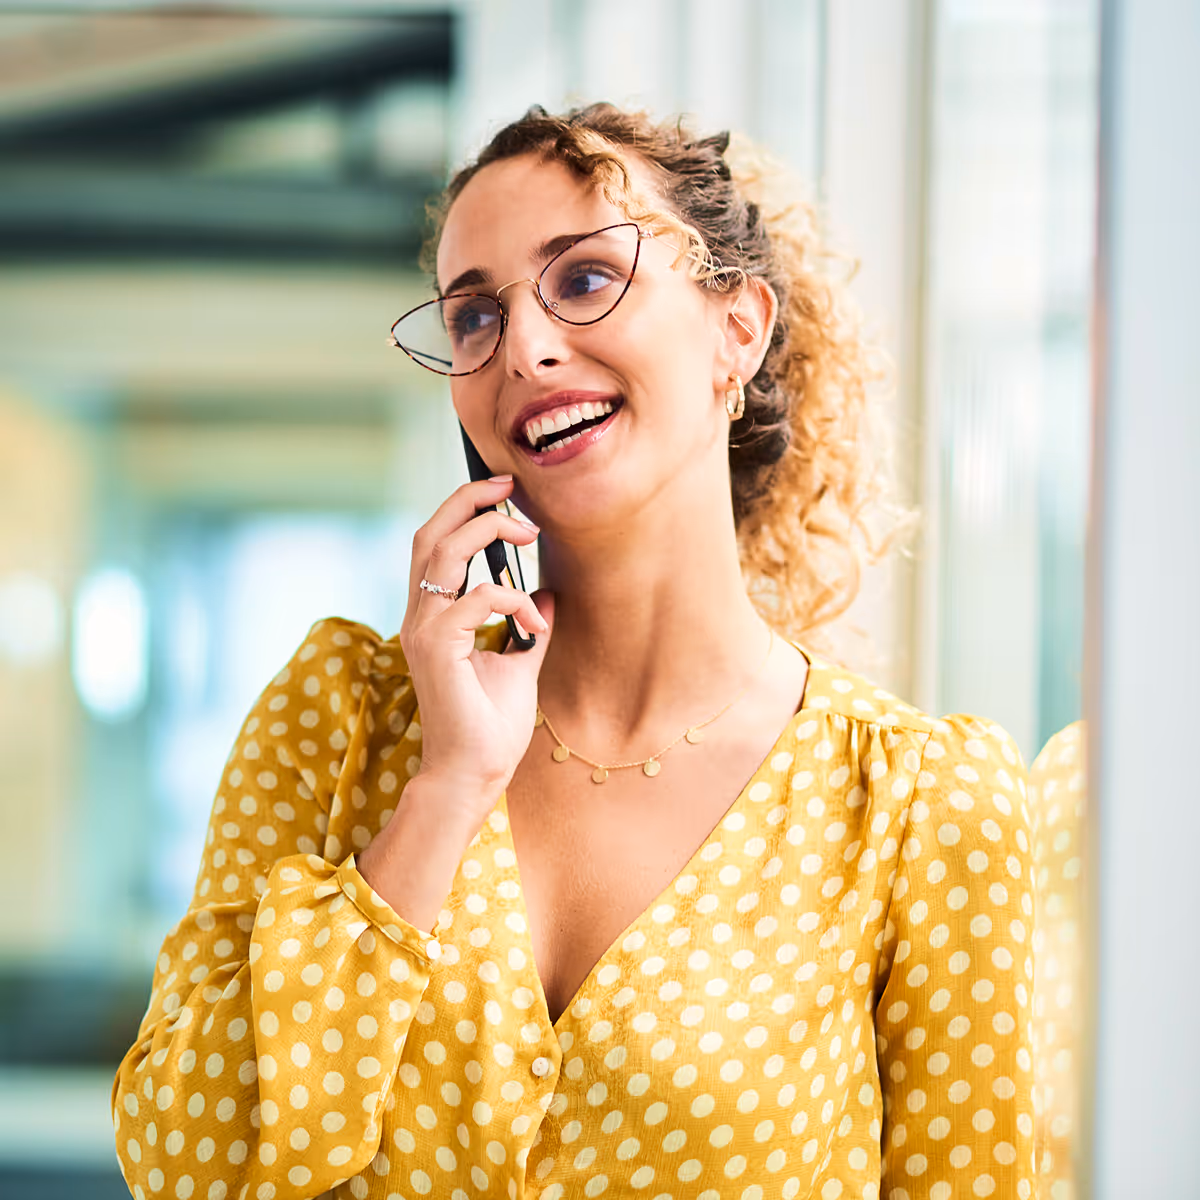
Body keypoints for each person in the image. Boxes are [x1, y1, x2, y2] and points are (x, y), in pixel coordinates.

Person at [112, 103, 1040, 1200]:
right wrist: (445, 790)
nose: (529, 347)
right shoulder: (346, 720)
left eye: (586, 278)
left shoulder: (917, 807)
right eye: (474, 318)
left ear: (736, 329)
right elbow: (186, 1165)